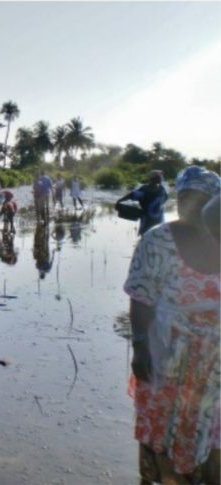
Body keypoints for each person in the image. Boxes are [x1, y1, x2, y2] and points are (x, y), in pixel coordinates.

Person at [123, 165, 220, 484]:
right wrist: (139, 347)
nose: (187, 205)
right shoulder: (157, 241)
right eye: (183, 197)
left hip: (213, 363)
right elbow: (141, 298)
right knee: (161, 425)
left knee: (207, 427)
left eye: (199, 199)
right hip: (166, 354)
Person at [116, 170, 168, 236]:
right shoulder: (162, 190)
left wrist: (120, 201)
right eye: (159, 177)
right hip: (158, 221)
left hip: (149, 221)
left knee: (146, 238)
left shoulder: (146, 189)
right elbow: (166, 199)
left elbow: (132, 195)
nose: (160, 179)